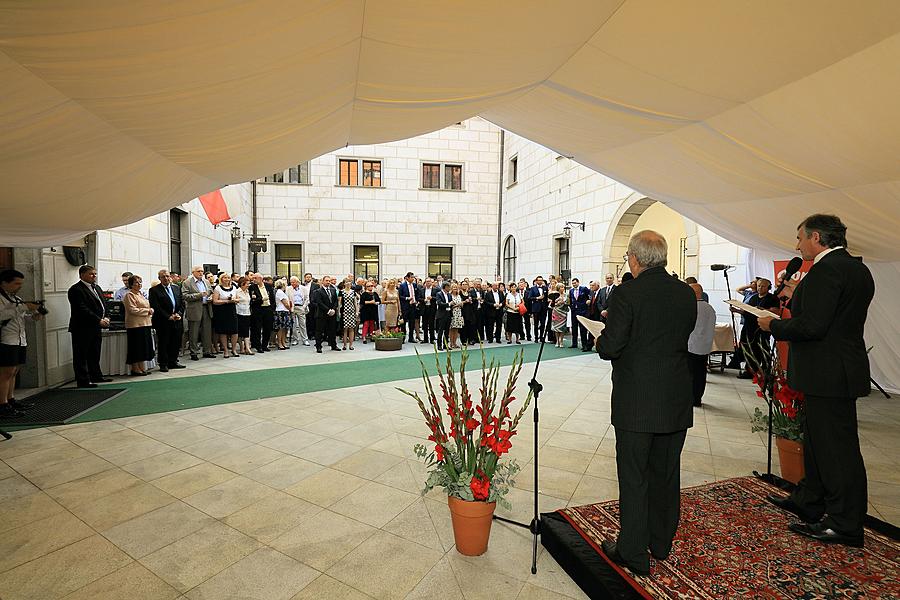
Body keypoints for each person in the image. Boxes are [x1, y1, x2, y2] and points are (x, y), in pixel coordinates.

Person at [760, 214, 874, 548]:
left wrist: (773, 326)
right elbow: (833, 316)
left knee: (838, 451)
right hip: (836, 369)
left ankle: (844, 523)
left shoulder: (826, 270)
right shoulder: (856, 268)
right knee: (818, 442)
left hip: (828, 372)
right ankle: (810, 499)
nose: (797, 245)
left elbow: (813, 326)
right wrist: (796, 292)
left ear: (817, 238)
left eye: (800, 238)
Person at [595, 230, 697, 576]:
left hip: (637, 401)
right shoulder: (686, 293)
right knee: (666, 473)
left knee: (635, 475)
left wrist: (605, 332)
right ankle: (661, 541)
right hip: (675, 397)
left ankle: (633, 553)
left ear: (636, 259)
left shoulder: (627, 294)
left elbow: (611, 348)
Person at [0, 269, 42, 417]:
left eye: (21, 283)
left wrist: (35, 315)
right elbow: (2, 315)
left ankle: (10, 399)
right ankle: (2, 404)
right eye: (16, 283)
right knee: (6, 373)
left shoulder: (15, 298)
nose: (19, 286)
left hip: (19, 338)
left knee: (14, 371)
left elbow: (22, 317)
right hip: (6, 339)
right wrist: (24, 307)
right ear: (4, 283)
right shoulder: (1, 298)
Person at [67, 264, 111, 388]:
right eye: (91, 274)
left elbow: (104, 304)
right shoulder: (76, 289)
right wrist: (98, 320)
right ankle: (83, 380)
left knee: (94, 352)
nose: (94, 276)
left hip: (96, 327)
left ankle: (96, 375)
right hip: (82, 328)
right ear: (82, 275)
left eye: (95, 274)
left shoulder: (96, 287)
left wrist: (106, 317)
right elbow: (81, 309)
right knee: (81, 355)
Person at [738, 277, 780, 379]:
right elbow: (748, 312)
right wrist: (737, 310)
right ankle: (750, 371)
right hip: (750, 327)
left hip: (763, 328)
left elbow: (775, 312)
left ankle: (765, 371)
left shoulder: (773, 298)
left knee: (763, 349)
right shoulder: (753, 298)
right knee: (750, 349)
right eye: (758, 286)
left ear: (768, 287)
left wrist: (763, 310)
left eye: (763, 286)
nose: (760, 288)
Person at [148, 269, 186, 372]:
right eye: (163, 277)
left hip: (177, 319)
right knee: (164, 342)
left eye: (167, 276)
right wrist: (168, 316)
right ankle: (163, 363)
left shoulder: (176, 288)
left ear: (171, 277)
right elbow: (156, 306)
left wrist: (179, 314)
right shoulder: (154, 290)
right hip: (163, 321)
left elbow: (182, 303)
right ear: (159, 278)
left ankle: (173, 361)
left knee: (176, 341)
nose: (166, 278)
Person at [687, 283, 716, 407]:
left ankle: (691, 398)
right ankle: (698, 398)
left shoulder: (692, 307)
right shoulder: (709, 308)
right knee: (701, 373)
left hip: (691, 346)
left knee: (691, 374)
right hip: (705, 346)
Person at [123, 275, 155, 376]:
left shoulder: (141, 294)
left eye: (140, 282)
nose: (139, 284)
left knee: (143, 347)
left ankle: (142, 367)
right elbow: (132, 310)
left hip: (145, 323)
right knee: (136, 347)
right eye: (136, 282)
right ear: (131, 284)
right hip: (135, 325)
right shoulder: (129, 295)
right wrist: (147, 311)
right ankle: (135, 368)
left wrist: (151, 310)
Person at [181, 266, 215, 360]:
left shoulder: (206, 281)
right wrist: (199, 295)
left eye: (202, 271)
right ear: (193, 272)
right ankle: (194, 352)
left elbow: (210, 291)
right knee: (194, 332)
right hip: (194, 309)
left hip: (206, 307)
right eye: (199, 271)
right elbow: (185, 296)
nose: (201, 273)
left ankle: (207, 351)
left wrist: (210, 296)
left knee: (207, 331)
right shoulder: (187, 282)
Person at [212, 273, 240, 357]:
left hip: (232, 310)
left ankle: (234, 349)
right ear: (221, 279)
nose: (227, 279)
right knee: (223, 331)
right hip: (222, 311)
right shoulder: (218, 288)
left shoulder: (234, 287)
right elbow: (215, 301)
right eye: (224, 278)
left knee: (234, 331)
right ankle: (225, 350)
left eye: (228, 278)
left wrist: (234, 300)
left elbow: (238, 299)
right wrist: (226, 301)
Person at [311, 275, 340, 353]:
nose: (328, 282)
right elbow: (319, 302)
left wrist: (333, 309)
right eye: (326, 281)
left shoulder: (333, 290)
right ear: (323, 281)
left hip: (332, 314)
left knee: (332, 330)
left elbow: (335, 301)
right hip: (321, 314)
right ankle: (318, 347)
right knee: (319, 331)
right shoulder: (318, 291)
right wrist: (328, 310)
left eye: (329, 281)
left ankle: (333, 345)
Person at [249, 273, 275, 353]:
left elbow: (272, 298)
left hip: (268, 309)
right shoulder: (252, 287)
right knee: (257, 328)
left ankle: (265, 345)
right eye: (253, 278)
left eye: (255, 278)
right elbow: (252, 300)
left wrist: (272, 308)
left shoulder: (268, 286)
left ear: (260, 278)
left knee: (267, 328)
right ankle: (258, 346)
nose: (253, 280)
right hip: (258, 309)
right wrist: (262, 299)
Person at [568, 277, 590, 350]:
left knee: (582, 329)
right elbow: (571, 300)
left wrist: (588, 301)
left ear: (578, 282)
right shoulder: (571, 291)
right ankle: (574, 343)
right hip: (574, 311)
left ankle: (584, 345)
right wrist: (571, 307)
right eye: (573, 283)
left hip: (582, 311)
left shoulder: (584, 289)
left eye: (575, 283)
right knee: (574, 328)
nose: (574, 284)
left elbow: (590, 295)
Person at [338, 280, 360, 350]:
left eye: (349, 283)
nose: (348, 284)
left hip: (351, 311)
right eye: (346, 282)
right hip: (344, 311)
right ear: (344, 284)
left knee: (351, 329)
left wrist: (356, 311)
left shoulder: (353, 292)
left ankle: (351, 345)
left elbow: (355, 303)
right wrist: (339, 312)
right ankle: (344, 345)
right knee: (345, 329)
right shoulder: (341, 292)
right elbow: (339, 303)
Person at [234, 276, 253, 355]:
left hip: (247, 313)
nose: (248, 285)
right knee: (240, 331)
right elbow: (233, 300)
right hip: (239, 313)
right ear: (242, 284)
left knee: (246, 331)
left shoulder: (247, 291)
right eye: (247, 284)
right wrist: (237, 300)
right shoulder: (237, 291)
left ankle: (247, 348)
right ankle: (241, 347)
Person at [399, 272, 419, 343]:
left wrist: (417, 300)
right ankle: (403, 338)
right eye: (411, 277)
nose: (413, 279)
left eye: (413, 277)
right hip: (405, 306)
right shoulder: (402, 285)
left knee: (412, 323)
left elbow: (417, 294)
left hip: (413, 306)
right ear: (407, 278)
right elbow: (400, 296)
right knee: (403, 323)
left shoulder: (414, 285)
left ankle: (411, 337)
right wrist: (407, 298)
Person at [527, 277, 549, 342]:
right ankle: (536, 337)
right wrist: (537, 298)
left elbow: (547, 297)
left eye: (541, 280)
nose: (540, 281)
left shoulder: (545, 288)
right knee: (536, 324)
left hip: (543, 308)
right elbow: (529, 297)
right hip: (536, 308)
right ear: (536, 281)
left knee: (543, 324)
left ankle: (542, 337)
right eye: (539, 280)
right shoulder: (533, 288)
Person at [273, 279, 292, 350]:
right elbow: (285, 303)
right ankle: (280, 343)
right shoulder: (280, 292)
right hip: (281, 311)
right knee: (280, 328)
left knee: (285, 328)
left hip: (284, 311)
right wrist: (290, 309)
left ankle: (283, 342)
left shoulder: (282, 292)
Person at [289, 276, 308, 346]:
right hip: (292, 308)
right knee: (293, 324)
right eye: (291, 282)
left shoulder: (303, 288)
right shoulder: (289, 288)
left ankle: (305, 339)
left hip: (301, 307)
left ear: (297, 282)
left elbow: (307, 298)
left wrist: (304, 307)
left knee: (302, 324)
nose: (292, 283)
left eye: (293, 282)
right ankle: (295, 339)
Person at [549, 283, 569, 348]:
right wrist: (557, 302)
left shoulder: (566, 295)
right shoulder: (555, 294)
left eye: (563, 287)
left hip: (563, 312)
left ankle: (561, 340)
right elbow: (551, 304)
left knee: (562, 327)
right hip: (556, 312)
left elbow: (569, 302)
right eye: (561, 287)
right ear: (558, 288)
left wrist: (564, 302)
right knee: (556, 327)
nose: (562, 288)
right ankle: (557, 340)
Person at [434, 282, 452, 350]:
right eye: (448, 287)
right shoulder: (439, 294)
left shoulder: (449, 295)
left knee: (447, 331)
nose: (449, 288)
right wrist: (448, 304)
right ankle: (439, 345)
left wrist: (451, 304)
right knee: (440, 330)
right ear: (445, 287)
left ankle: (446, 344)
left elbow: (451, 302)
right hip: (441, 314)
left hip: (448, 313)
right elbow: (439, 303)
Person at [447, 282, 465, 349]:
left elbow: (462, 304)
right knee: (452, 328)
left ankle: (455, 342)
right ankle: (451, 343)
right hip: (452, 313)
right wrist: (458, 305)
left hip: (458, 313)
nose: (455, 290)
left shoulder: (459, 296)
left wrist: (461, 304)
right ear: (451, 289)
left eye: (456, 288)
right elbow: (450, 305)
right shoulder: (449, 295)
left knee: (456, 328)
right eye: (454, 288)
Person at [459, 281, 477, 345]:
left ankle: (470, 339)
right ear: (461, 285)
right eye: (463, 284)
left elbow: (473, 300)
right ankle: (463, 340)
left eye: (466, 284)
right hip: (463, 311)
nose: (464, 285)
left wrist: (471, 301)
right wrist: (465, 301)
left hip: (470, 311)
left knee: (470, 325)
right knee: (464, 326)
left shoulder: (469, 293)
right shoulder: (459, 293)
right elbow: (459, 302)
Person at [420, 278, 437, 344]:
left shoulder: (435, 290)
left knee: (431, 324)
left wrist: (432, 298)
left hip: (432, 308)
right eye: (427, 282)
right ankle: (425, 339)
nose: (428, 283)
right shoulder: (422, 290)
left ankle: (432, 339)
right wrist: (423, 300)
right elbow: (419, 298)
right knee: (424, 324)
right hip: (424, 308)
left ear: (431, 282)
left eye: (429, 281)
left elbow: (437, 298)